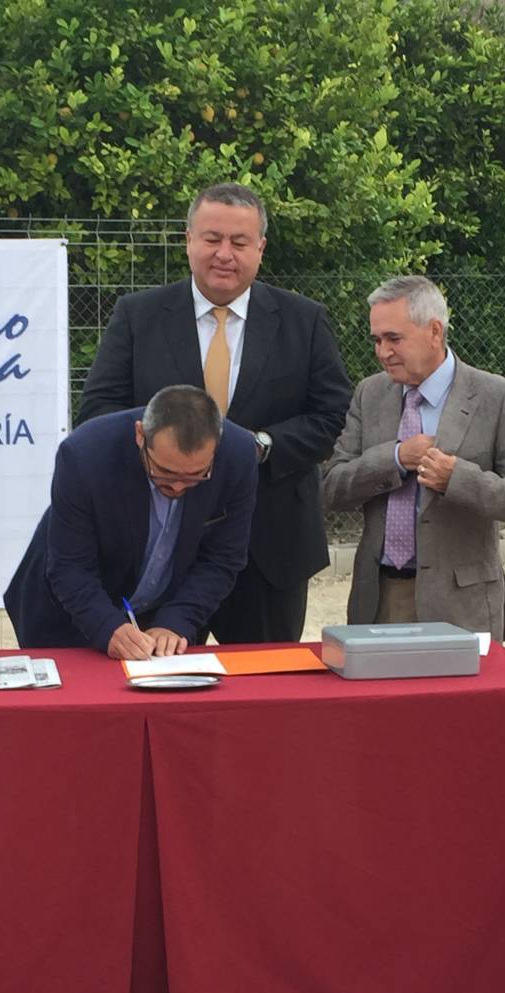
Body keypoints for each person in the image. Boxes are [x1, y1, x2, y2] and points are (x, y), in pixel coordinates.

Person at [77, 182, 352, 645]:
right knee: (159, 678)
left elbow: (332, 414)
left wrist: (261, 447)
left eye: (239, 242)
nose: (224, 254)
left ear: (260, 248)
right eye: (212, 239)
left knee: (263, 684)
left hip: (269, 551)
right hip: (159, 546)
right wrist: (163, 454)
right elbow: (98, 412)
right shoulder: (138, 316)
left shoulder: (304, 320)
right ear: (189, 240)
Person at [323, 276, 505, 641]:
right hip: (378, 598)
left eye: (394, 338)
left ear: (435, 332)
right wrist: (395, 458)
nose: (383, 352)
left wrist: (457, 479)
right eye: (377, 340)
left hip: (461, 606)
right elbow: (332, 487)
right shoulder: (370, 394)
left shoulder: (497, 397)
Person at [3, 386, 258, 659]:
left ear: (217, 447)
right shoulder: (84, 455)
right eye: (164, 472)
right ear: (140, 435)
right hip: (71, 612)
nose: (178, 486)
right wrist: (107, 626)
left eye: (196, 475)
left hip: (165, 612)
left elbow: (222, 559)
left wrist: (176, 620)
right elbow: (70, 567)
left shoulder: (239, 454)